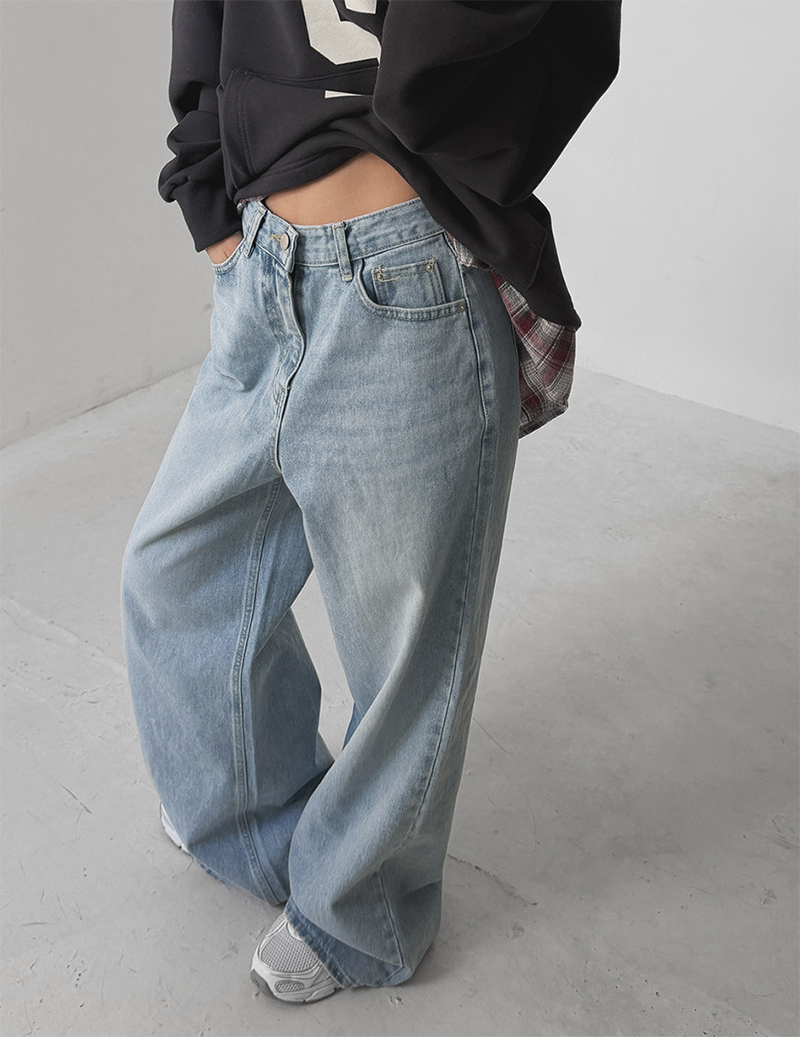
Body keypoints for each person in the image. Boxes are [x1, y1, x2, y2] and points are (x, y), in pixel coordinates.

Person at [121, 0, 622, 1004]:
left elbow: (573, 32)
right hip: (264, 263)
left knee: (401, 645)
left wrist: (452, 160)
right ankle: (253, 820)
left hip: (406, 268)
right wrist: (208, 197)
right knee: (175, 572)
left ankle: (362, 911)